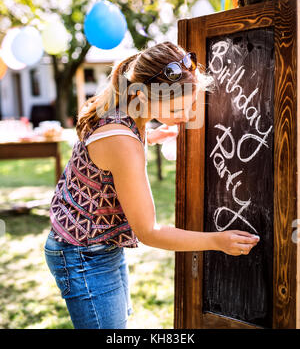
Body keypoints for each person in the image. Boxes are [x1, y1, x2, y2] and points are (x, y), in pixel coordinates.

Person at [44, 41, 259, 329]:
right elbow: (149, 232)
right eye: (176, 106)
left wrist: (150, 137)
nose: (185, 115)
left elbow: (107, 160)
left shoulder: (123, 109)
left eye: (189, 103)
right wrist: (216, 241)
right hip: (82, 255)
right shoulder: (122, 141)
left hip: (97, 244)